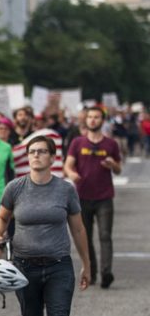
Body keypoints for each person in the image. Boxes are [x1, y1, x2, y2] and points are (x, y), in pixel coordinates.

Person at [0, 135, 90, 316]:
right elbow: (1, 218)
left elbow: (78, 228)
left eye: (42, 152)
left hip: (59, 266)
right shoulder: (16, 187)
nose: (35, 156)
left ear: (53, 157)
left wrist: (87, 266)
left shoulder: (65, 190)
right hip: (24, 266)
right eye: (32, 151)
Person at [64, 107, 122, 289]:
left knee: (105, 235)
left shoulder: (111, 144)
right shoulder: (78, 142)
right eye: (90, 117)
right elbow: (67, 166)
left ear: (102, 121)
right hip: (82, 197)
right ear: (86, 120)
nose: (93, 120)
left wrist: (113, 164)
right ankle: (92, 271)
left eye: (96, 117)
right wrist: (72, 174)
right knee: (85, 236)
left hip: (104, 196)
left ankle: (106, 273)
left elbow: (119, 169)